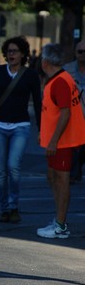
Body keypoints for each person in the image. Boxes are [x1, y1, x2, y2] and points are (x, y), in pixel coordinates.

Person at [0, 35, 42, 223]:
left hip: (21, 126)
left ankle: (14, 206)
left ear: (23, 54)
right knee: (1, 171)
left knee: (13, 167)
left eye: (15, 51)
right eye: (8, 51)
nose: (11, 54)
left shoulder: (31, 75)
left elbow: (38, 102)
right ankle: (4, 209)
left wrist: (41, 128)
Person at [37, 43, 85, 239]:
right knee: (53, 177)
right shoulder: (60, 79)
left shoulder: (59, 82)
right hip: (58, 140)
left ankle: (61, 225)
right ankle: (59, 220)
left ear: (45, 62)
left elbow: (65, 114)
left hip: (63, 142)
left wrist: (53, 141)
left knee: (61, 180)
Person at [63, 39, 85, 183]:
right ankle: (73, 172)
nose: (83, 55)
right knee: (74, 146)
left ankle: (77, 168)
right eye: (80, 52)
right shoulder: (67, 70)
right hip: (73, 115)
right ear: (75, 53)